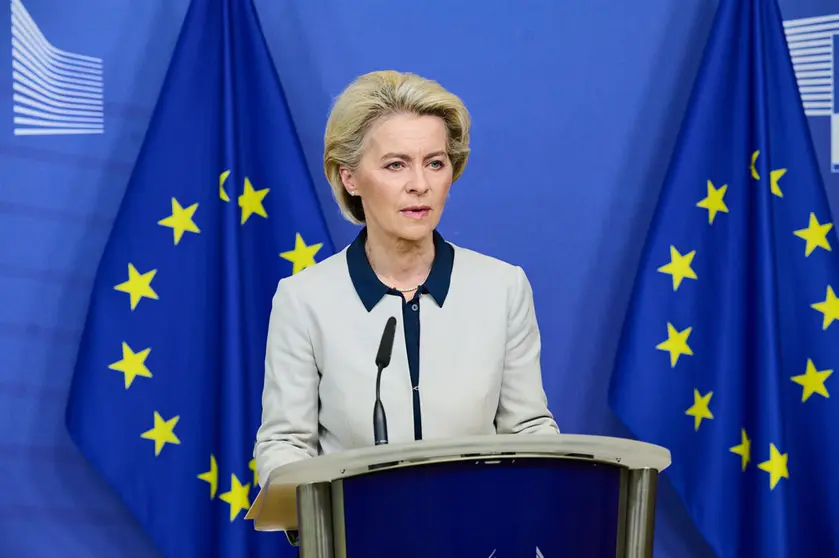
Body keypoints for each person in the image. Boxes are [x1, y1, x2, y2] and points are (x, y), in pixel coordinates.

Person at [254, 70, 559, 488]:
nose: (420, 185)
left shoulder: (502, 288)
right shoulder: (305, 300)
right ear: (350, 177)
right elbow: (285, 444)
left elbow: (527, 431)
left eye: (435, 163)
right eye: (396, 165)